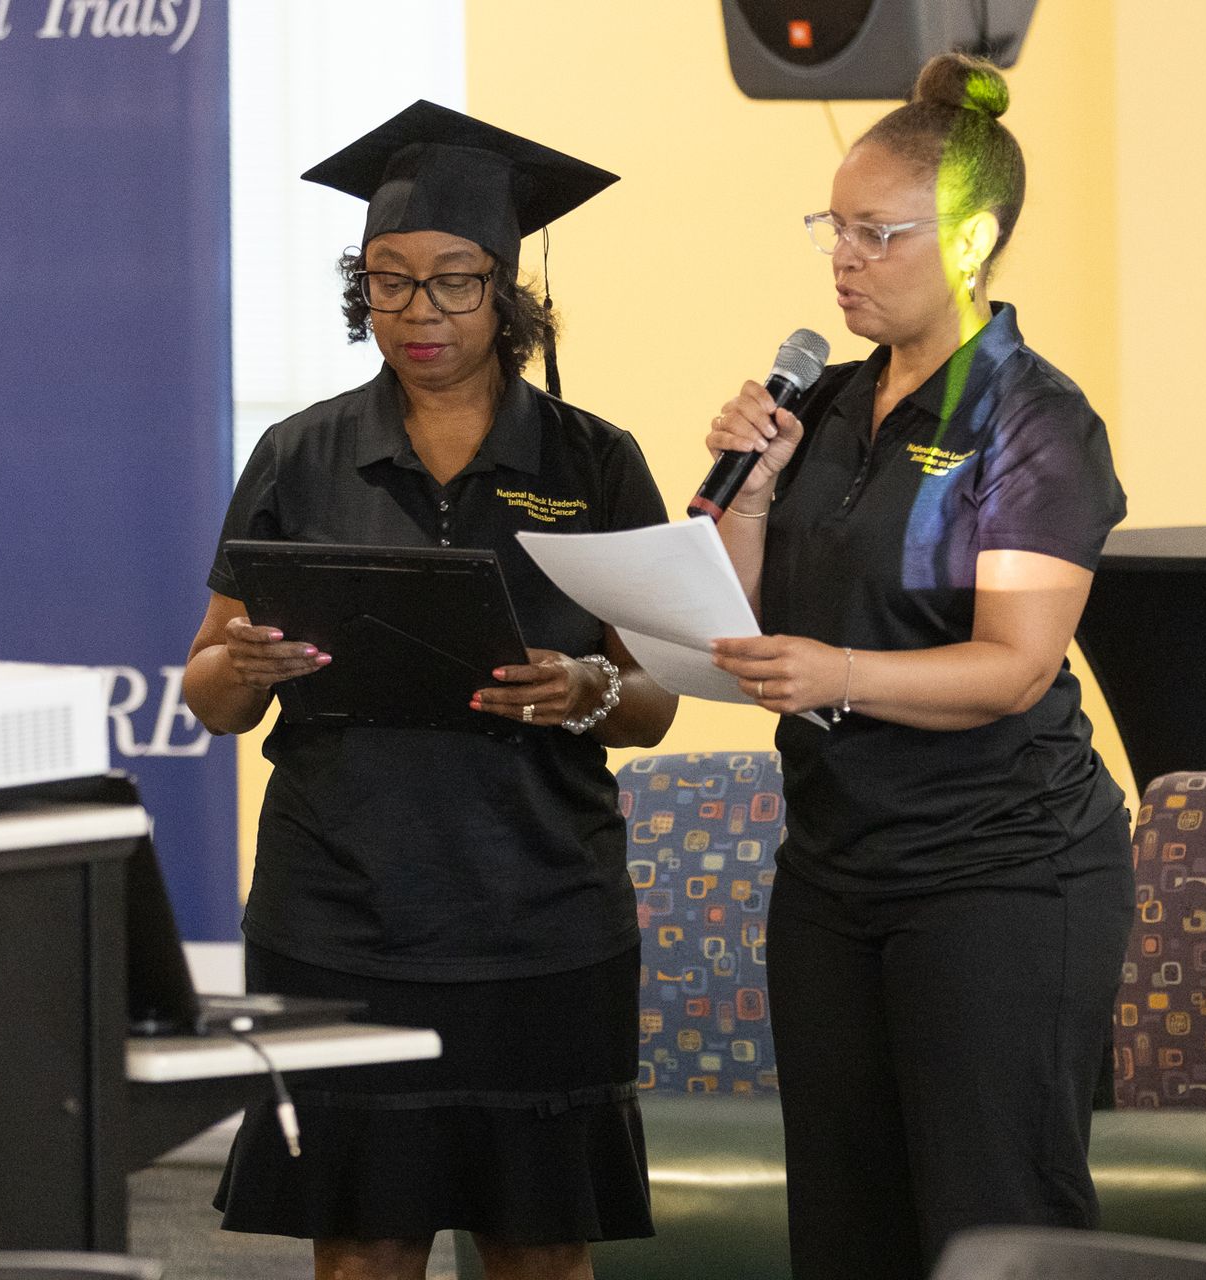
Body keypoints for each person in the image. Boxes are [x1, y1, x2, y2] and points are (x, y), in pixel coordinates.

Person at [185, 101, 676, 1280]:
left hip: (540, 912)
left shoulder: (593, 460)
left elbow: (660, 694)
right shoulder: (299, 455)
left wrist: (589, 685)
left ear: (508, 289)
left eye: (454, 282)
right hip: (342, 911)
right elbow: (209, 688)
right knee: (364, 1245)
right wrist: (238, 669)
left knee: (540, 1248)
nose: (419, 312)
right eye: (390, 282)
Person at [702, 53, 1134, 1280]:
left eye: (876, 234)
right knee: (844, 1225)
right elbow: (729, 621)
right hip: (836, 870)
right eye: (830, 229)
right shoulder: (826, 406)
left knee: (995, 1223)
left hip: (1003, 870)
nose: (842, 259)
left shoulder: (1034, 420)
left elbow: (1012, 664)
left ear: (968, 239)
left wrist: (839, 669)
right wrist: (747, 492)